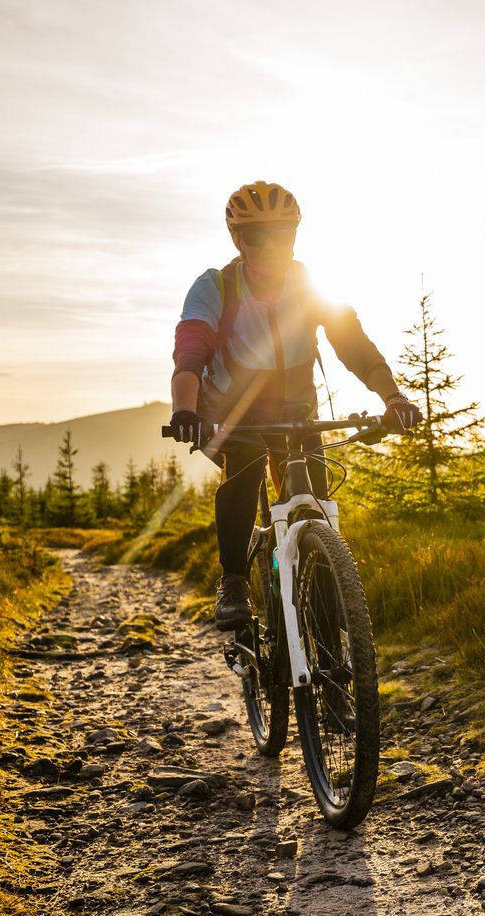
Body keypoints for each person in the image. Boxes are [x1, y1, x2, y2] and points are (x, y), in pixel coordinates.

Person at [168, 180, 422, 628]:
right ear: (237, 240)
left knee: (316, 500)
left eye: (282, 233)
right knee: (243, 471)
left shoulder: (311, 285)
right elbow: (190, 352)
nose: (270, 246)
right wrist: (184, 412)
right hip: (233, 411)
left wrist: (393, 396)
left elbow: (354, 345)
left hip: (295, 408)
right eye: (256, 235)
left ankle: (324, 610)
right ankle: (234, 583)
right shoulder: (216, 287)